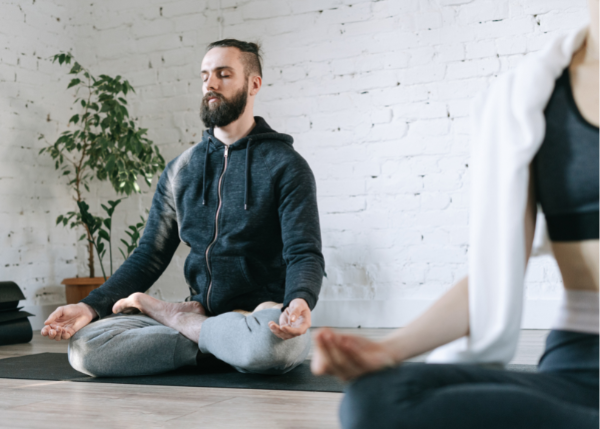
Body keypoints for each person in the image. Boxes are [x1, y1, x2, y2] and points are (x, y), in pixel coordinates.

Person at [311, 2, 599, 428]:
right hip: (579, 368)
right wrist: (387, 350)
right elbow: (493, 279)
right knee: (377, 399)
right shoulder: (532, 98)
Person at [41, 39, 325, 377]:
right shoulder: (182, 169)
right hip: (204, 312)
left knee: (274, 346)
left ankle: (179, 320)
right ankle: (220, 340)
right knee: (87, 350)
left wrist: (299, 301)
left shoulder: (285, 165)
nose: (211, 84)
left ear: (253, 84)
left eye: (224, 74)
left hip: (263, 313)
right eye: (205, 75)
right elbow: (149, 254)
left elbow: (304, 252)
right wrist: (89, 306)